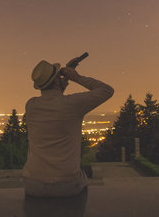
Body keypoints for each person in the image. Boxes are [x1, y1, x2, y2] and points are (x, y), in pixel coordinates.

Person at [23, 58, 114, 198]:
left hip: (32, 184)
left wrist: (61, 81)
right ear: (56, 81)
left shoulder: (31, 105)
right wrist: (76, 77)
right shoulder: (72, 105)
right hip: (66, 185)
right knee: (82, 176)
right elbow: (107, 90)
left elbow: (54, 98)